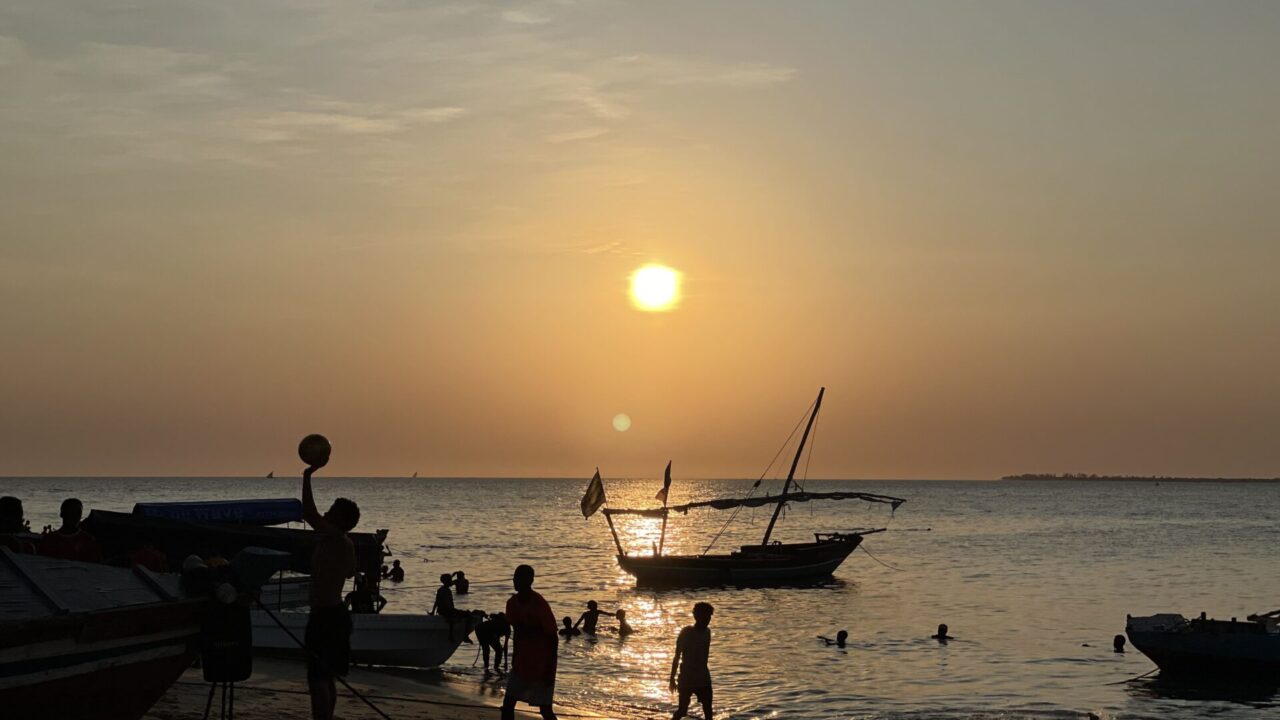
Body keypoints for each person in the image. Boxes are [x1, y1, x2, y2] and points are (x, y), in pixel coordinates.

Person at [301, 458, 360, 720]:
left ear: (340, 520)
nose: (326, 513)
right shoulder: (346, 543)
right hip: (336, 615)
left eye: (332, 510)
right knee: (328, 678)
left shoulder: (335, 538)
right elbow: (349, 571)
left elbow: (309, 513)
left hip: (326, 617)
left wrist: (307, 476)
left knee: (317, 680)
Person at [501, 564, 559, 720]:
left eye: (520, 578)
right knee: (508, 704)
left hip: (542, 664)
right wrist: (514, 657)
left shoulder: (539, 604)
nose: (516, 581)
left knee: (545, 710)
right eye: (515, 578)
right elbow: (516, 632)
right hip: (521, 663)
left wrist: (550, 668)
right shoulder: (512, 603)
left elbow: (553, 637)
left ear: (530, 580)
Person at [670, 602, 714, 720]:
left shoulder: (707, 632)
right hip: (687, 678)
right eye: (705, 617)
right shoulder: (686, 632)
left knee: (708, 712)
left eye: (709, 616)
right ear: (696, 617)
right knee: (682, 711)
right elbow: (677, 655)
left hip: (703, 678)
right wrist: (672, 679)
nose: (707, 620)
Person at [39, 498, 103, 563]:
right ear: (62, 514)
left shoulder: (88, 541)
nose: (74, 516)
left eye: (77, 513)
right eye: (70, 512)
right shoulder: (49, 539)